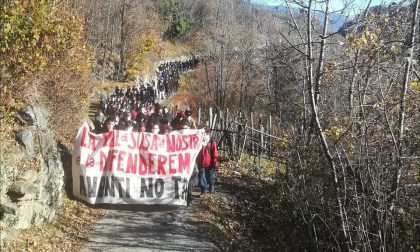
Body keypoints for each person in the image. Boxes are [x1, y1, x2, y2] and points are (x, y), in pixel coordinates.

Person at [197, 128, 219, 197]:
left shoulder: (211, 142)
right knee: (201, 177)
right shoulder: (198, 141)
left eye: (207, 133)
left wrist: (215, 164)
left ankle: (211, 186)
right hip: (200, 162)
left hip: (209, 163)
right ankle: (203, 190)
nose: (205, 135)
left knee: (210, 176)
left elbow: (215, 153)